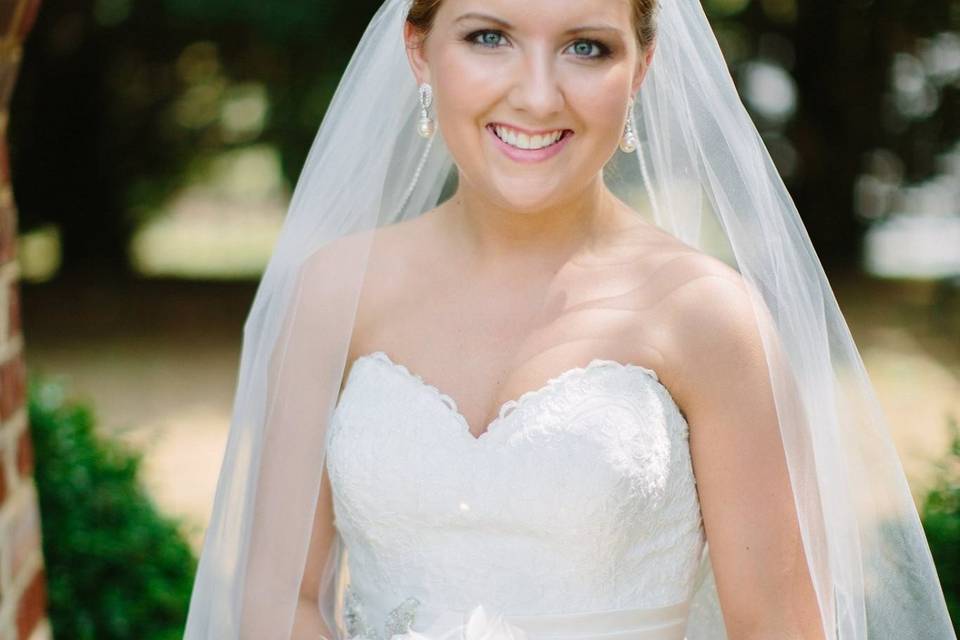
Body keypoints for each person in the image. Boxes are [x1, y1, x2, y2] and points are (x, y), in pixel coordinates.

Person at [183, 1, 958, 639]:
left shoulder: (706, 316)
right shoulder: (335, 292)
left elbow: (782, 629)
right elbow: (278, 601)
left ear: (642, 69)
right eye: (489, 37)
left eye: (587, 48)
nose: (538, 95)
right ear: (419, 51)